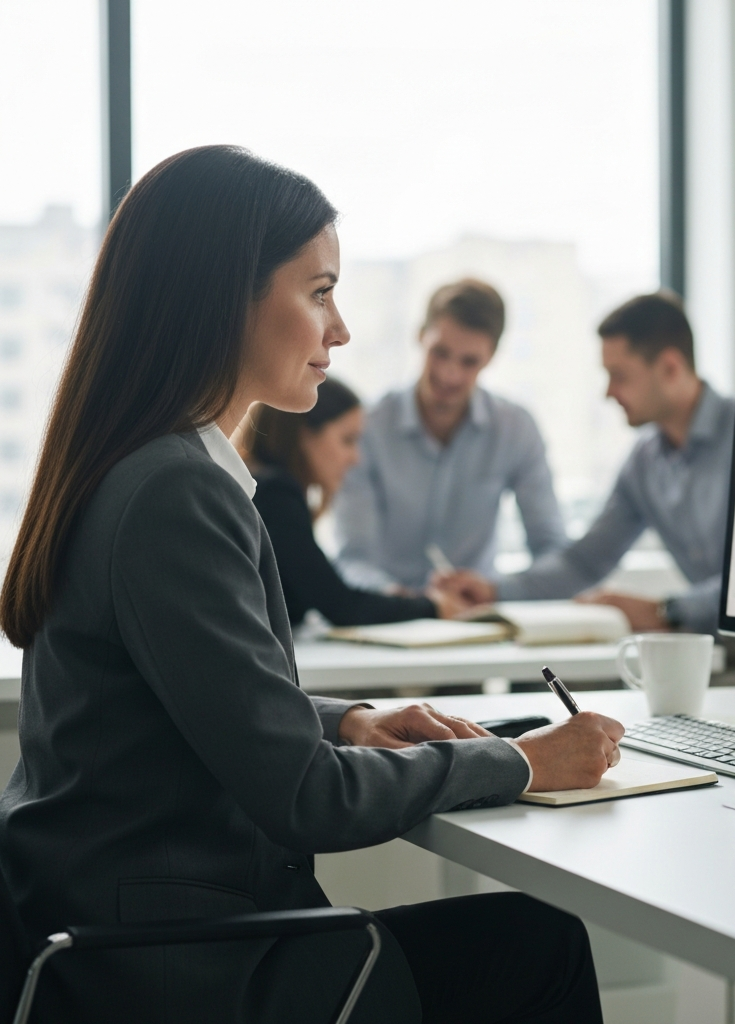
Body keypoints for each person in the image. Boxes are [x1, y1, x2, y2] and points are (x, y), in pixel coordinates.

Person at [0, 146, 622, 1023]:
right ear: (227, 299)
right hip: (180, 970)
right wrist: (518, 762)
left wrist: (352, 720)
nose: (341, 331)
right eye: (320, 292)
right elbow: (304, 797)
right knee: (542, 942)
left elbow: (203, 707)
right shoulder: (176, 490)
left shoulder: (136, 467)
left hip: (121, 937)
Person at [435, 292, 735, 686]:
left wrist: (666, 611)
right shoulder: (645, 460)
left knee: (648, 716)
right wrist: (495, 592)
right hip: (715, 648)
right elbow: (585, 562)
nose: (608, 392)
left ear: (670, 368)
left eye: (619, 376)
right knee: (552, 689)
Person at [334, 278, 566, 591]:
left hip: (476, 616)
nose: (449, 374)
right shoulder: (367, 428)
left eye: (469, 361)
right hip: (388, 615)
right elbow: (353, 557)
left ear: (491, 357)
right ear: (420, 336)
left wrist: (496, 592)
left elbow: (550, 549)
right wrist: (396, 599)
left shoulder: (516, 430)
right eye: (440, 353)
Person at [239, 377, 465, 627]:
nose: (355, 458)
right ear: (306, 436)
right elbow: (341, 606)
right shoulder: (276, 495)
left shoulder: (263, 485)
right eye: (348, 440)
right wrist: (433, 606)